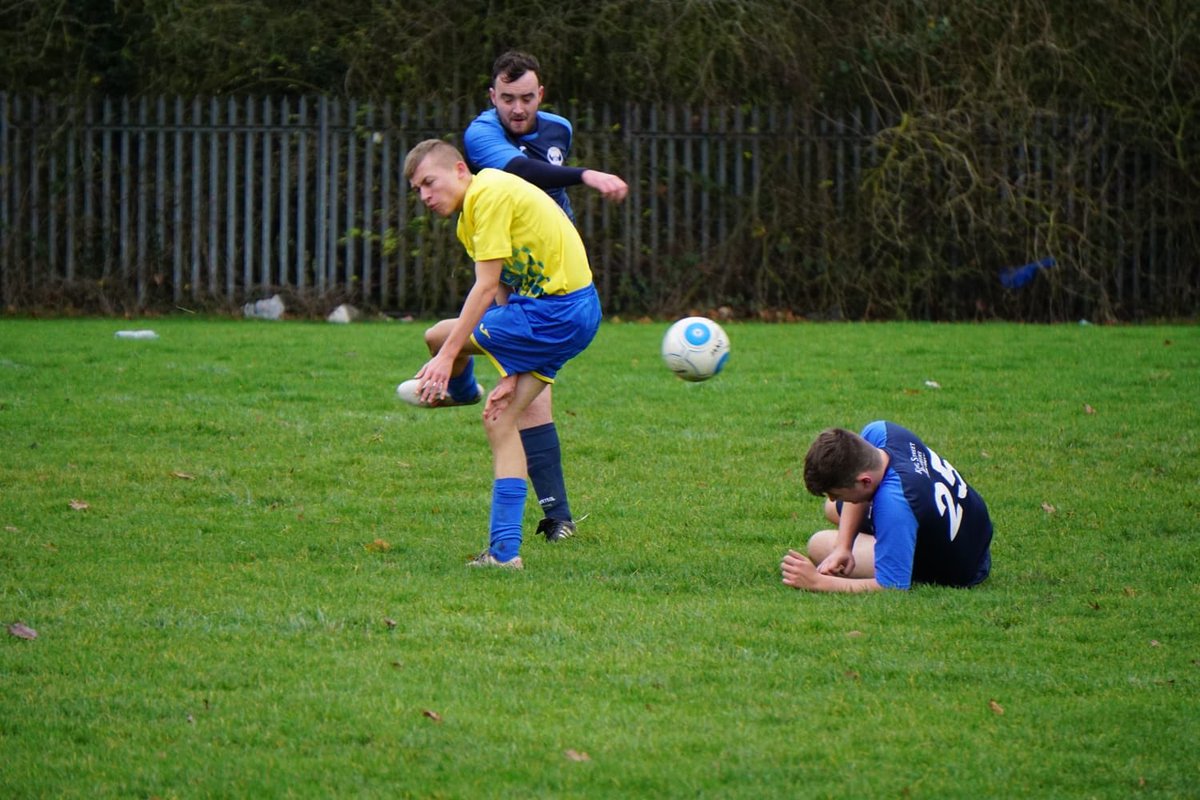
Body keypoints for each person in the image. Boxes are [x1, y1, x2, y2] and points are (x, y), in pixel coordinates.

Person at [396, 140, 602, 569]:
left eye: (429, 183)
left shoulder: (488, 194)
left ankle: (462, 388)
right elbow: (505, 288)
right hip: (563, 313)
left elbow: (486, 287)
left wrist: (447, 356)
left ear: (458, 169)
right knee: (500, 418)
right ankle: (505, 553)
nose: (426, 196)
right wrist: (509, 369)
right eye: (417, 190)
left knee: (439, 337)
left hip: (556, 312)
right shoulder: (468, 221)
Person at [460, 50, 627, 544]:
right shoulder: (480, 135)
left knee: (526, 396)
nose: (517, 108)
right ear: (492, 97)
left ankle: (555, 518)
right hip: (508, 268)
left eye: (527, 98)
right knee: (526, 396)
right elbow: (521, 174)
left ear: (542, 95)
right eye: (507, 98)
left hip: (556, 276)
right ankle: (558, 518)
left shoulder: (559, 129)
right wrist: (585, 174)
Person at [781, 421, 993, 592]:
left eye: (838, 494)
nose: (836, 499)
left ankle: (902, 548)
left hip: (961, 567)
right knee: (830, 509)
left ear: (865, 481)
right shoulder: (881, 431)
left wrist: (817, 582)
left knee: (818, 544)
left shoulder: (894, 505)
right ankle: (874, 538)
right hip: (970, 533)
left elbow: (891, 585)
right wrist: (843, 547)